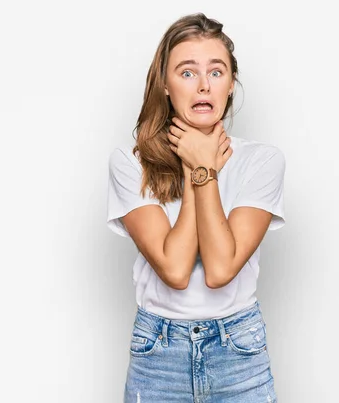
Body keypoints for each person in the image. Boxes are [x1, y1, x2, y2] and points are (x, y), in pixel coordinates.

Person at [106, 13, 285, 402]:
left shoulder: (263, 161)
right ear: (165, 86)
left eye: (216, 72)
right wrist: (196, 169)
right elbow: (175, 269)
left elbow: (220, 269)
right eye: (187, 73)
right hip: (158, 354)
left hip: (239, 351)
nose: (203, 85)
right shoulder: (128, 162)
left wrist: (204, 168)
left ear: (231, 85)